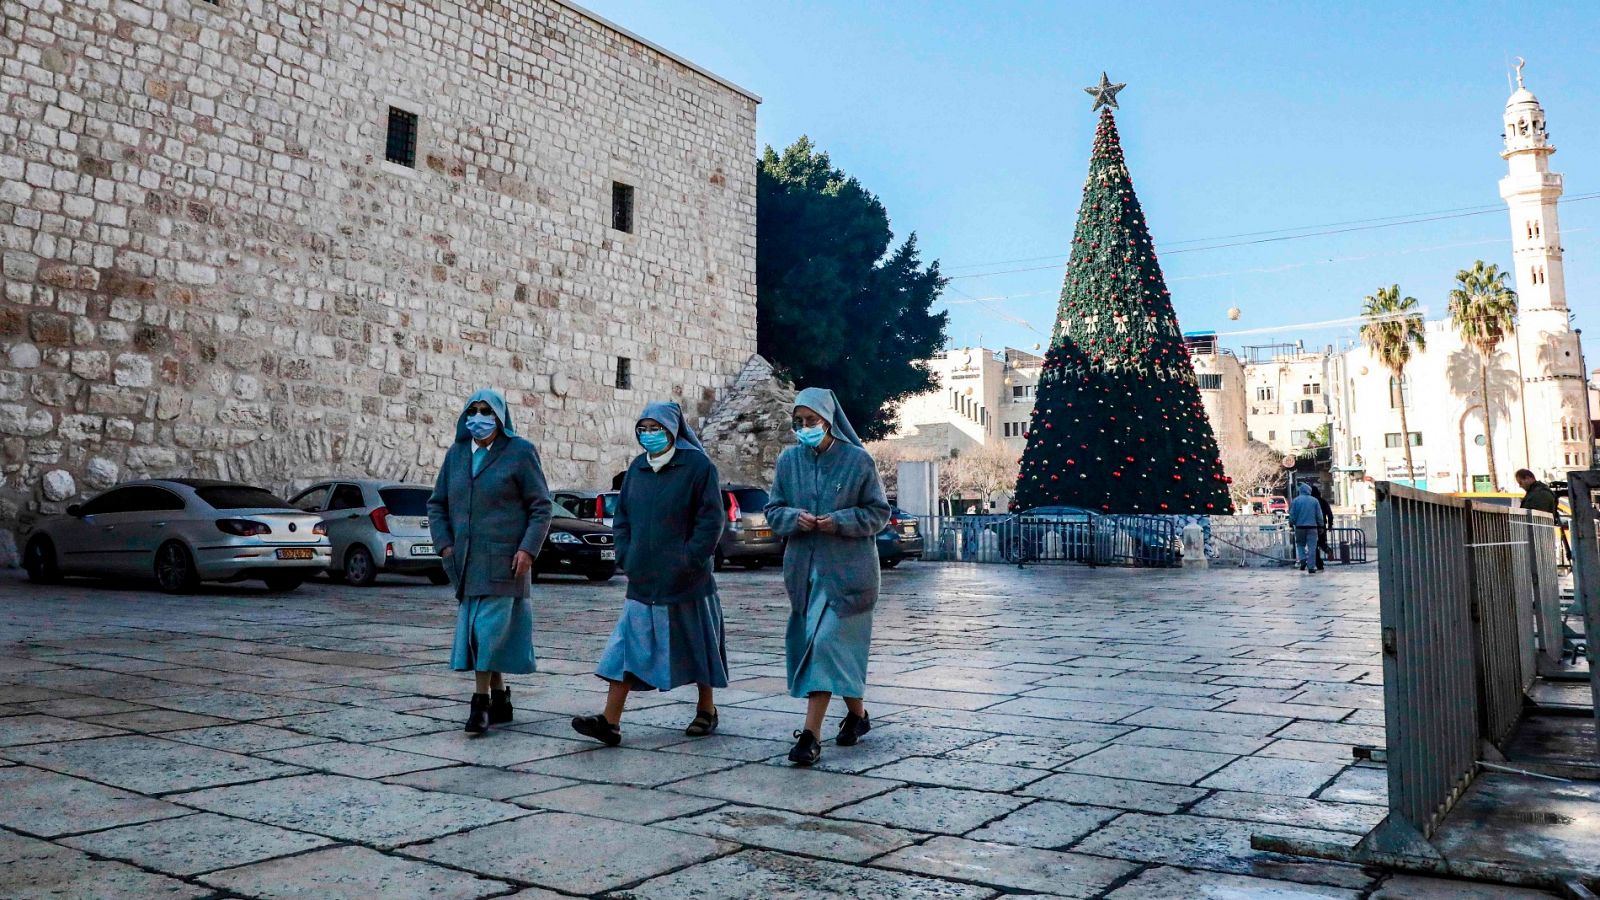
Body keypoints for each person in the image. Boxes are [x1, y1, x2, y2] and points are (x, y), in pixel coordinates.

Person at [572, 402, 728, 746]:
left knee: (698, 642)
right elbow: (623, 517)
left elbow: (710, 520)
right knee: (626, 647)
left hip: (688, 579)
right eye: (643, 428)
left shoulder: (698, 467)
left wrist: (690, 559)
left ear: (673, 429)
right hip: (643, 579)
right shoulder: (637, 469)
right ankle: (609, 721)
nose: (649, 435)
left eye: (656, 428)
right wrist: (627, 554)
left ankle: (706, 709)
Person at [766, 387, 891, 766]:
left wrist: (838, 522)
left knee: (823, 647)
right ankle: (857, 715)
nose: (804, 428)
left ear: (828, 420)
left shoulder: (858, 461)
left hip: (849, 577)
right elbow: (774, 510)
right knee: (834, 653)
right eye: (798, 422)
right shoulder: (789, 461)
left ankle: (810, 737)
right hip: (805, 577)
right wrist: (793, 519)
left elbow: (878, 512)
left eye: (812, 421)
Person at [428, 389, 553, 734]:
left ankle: (479, 703)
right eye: (474, 410)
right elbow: (436, 503)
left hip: (505, 561)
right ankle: (501, 699)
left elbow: (541, 506)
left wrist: (528, 549)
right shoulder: (456, 455)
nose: (479, 418)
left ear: (500, 417)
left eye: (487, 411)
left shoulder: (520, 452)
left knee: (485, 632)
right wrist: (444, 546)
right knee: (484, 634)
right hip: (465, 562)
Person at [1288, 483, 1322, 575]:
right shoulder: (1314, 501)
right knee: (1312, 547)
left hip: (1299, 527)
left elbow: (1292, 515)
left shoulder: (1296, 501)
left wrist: (1291, 523)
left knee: (1300, 545)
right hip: (1312, 527)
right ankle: (1311, 567)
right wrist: (1321, 526)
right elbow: (1319, 516)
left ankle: (1302, 559)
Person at [1310, 484, 1333, 572]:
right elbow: (1329, 513)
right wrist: (1330, 525)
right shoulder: (1323, 501)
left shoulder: (1311, 502)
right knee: (1322, 543)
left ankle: (1319, 563)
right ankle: (1328, 550)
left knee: (1314, 546)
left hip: (1312, 525)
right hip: (1322, 525)